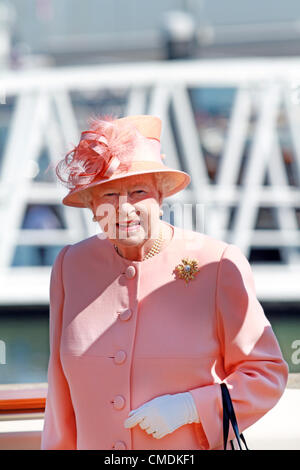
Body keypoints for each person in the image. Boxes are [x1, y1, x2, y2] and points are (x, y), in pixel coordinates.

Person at [41, 114, 288, 450]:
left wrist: (191, 409)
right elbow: (59, 391)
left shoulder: (217, 264)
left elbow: (266, 373)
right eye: (109, 194)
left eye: (138, 191)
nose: (123, 208)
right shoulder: (70, 265)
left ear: (160, 197)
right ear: (91, 205)